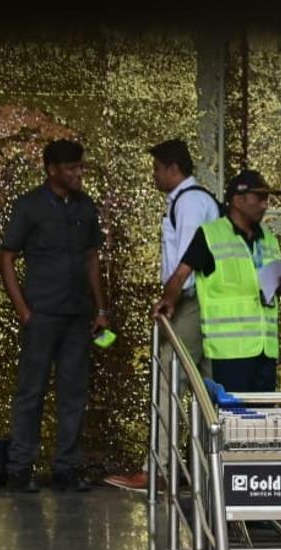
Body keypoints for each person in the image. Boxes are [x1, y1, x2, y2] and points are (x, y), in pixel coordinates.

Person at [104, 139, 221, 492]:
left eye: (157, 169)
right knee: (205, 386)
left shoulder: (190, 202)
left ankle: (159, 468)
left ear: (173, 169)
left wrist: (170, 296)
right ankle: (204, 470)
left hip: (191, 300)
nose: (154, 176)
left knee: (170, 379)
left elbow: (187, 259)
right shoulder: (194, 201)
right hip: (202, 302)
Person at [0, 138, 108, 493]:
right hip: (42, 314)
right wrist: (24, 311)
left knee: (74, 393)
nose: (79, 173)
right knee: (31, 392)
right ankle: (20, 468)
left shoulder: (86, 206)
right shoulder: (29, 206)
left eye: (80, 167)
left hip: (78, 315)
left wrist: (100, 309)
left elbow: (92, 257)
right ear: (52, 171)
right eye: (72, 168)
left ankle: (66, 468)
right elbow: (7, 257)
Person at [173, 169, 281, 392]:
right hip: (228, 352)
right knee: (232, 420)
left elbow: (270, 287)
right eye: (259, 199)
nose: (265, 205)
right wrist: (167, 302)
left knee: (261, 421)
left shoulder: (268, 238)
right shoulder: (211, 234)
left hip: (264, 348)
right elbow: (181, 274)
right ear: (238, 200)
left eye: (267, 199)